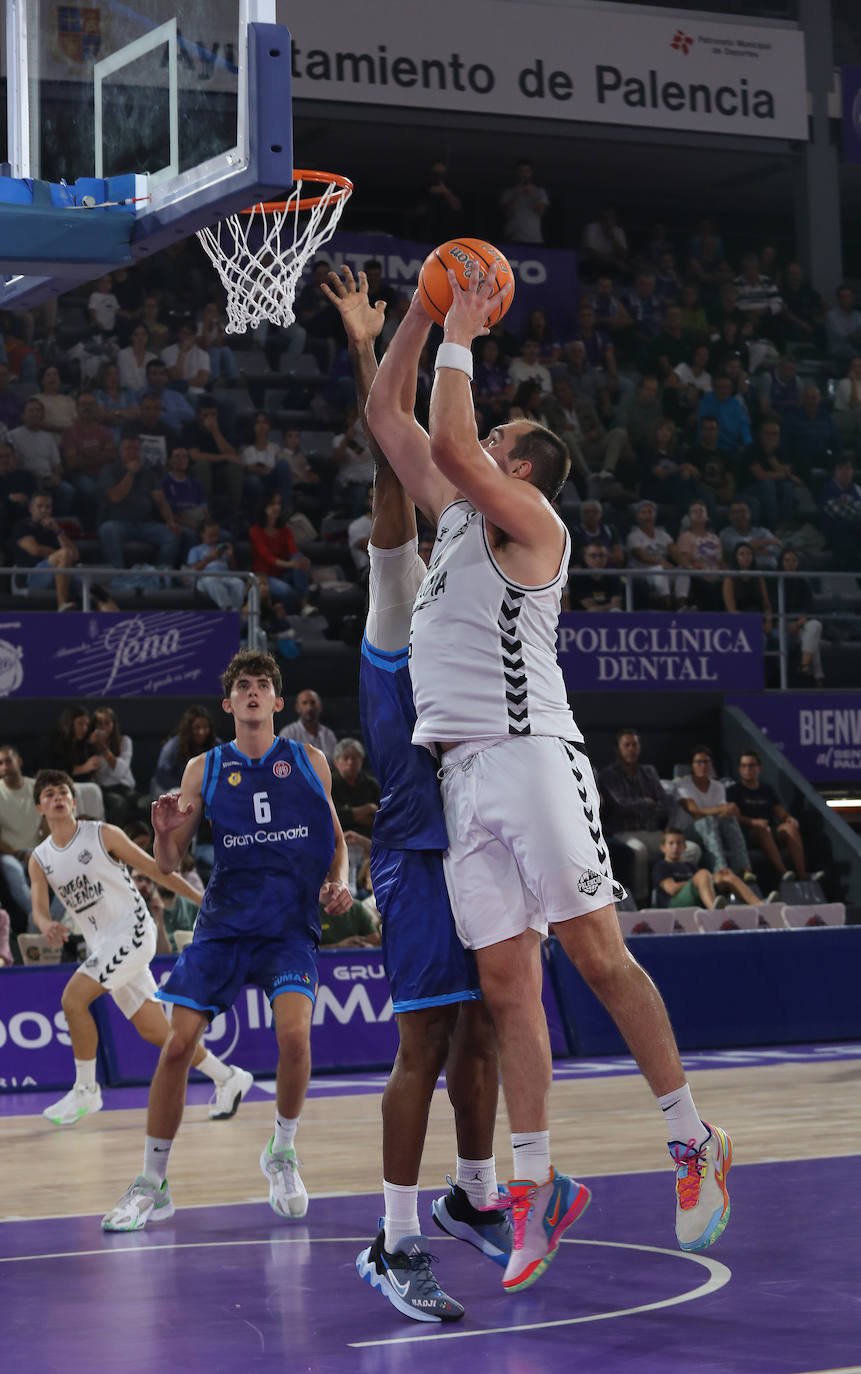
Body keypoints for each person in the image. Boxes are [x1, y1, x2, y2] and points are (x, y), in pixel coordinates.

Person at [365, 267, 731, 1295]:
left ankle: (691, 1139)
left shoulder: (533, 523)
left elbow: (445, 442)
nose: (479, 445)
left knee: (601, 959)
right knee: (507, 986)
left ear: (519, 462)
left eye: (496, 438)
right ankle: (531, 1191)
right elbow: (387, 417)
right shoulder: (452, 524)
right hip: (460, 779)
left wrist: (465, 333)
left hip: (533, 763)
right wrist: (420, 315)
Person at [323, 263, 506, 1322]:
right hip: (414, 850)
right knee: (426, 1044)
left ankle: (473, 1197)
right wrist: (370, 342)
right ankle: (392, 1244)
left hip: (475, 842)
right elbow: (391, 464)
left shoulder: (478, 615)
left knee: (485, 1031)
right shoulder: (400, 608)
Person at [101, 650, 352, 1231]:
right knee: (177, 1047)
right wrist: (164, 835)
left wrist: (339, 882)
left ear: (278, 702)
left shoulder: (310, 760)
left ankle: (282, 1151)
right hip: (223, 928)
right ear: (230, 703)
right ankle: (151, 1183)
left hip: (288, 927)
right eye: (244, 686)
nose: (255, 693)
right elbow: (169, 861)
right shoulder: (204, 768)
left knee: (294, 1037)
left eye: (264, 685)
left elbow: (336, 840)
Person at [29, 771, 250, 1126]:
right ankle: (227, 1077)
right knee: (155, 1031)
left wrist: (202, 897)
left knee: (73, 999)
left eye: (63, 792)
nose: (57, 797)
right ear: (40, 806)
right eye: (49, 793)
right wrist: (45, 924)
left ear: (73, 801)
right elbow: (38, 908)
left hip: (132, 931)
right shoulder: (40, 859)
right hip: (102, 944)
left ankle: (86, 1090)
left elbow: (157, 870)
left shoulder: (101, 834)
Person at [598, 729, 699, 905]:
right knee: (639, 852)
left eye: (635, 744)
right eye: (627, 745)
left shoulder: (649, 771)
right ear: (618, 749)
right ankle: (642, 901)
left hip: (653, 832)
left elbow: (663, 804)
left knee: (692, 849)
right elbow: (619, 806)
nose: (631, 749)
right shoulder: (608, 774)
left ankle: (681, 895)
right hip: (624, 833)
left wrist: (640, 805)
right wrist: (646, 802)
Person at [727, 750, 816, 887]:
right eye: (744, 766)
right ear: (739, 770)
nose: (748, 769)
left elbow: (779, 810)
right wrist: (753, 822)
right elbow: (733, 818)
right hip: (749, 833)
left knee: (789, 828)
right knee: (762, 830)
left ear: (759, 768)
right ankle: (784, 872)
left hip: (770, 829)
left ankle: (803, 875)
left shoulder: (767, 789)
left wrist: (788, 818)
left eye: (751, 765)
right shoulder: (733, 791)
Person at [97, 436, 182, 570]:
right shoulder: (109, 470)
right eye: (127, 448)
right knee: (107, 529)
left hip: (146, 524)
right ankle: (119, 574)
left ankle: (160, 575)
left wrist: (170, 521)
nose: (132, 452)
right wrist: (130, 473)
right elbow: (115, 497)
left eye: (136, 448)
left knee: (171, 534)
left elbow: (161, 500)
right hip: (119, 523)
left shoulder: (148, 473)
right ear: (120, 451)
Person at [675, 748, 756, 883]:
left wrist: (729, 810)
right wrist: (720, 809)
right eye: (699, 762)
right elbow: (694, 812)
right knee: (707, 821)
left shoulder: (718, 786)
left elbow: (723, 813)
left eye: (706, 762)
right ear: (692, 765)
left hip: (712, 830)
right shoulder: (683, 784)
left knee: (729, 820)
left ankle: (745, 870)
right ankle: (721, 871)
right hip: (686, 832)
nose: (703, 766)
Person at [0, 743, 45, 941]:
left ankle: (38, 919)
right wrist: (19, 854)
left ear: (19, 762)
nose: (4, 767)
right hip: (11, 854)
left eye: (8, 761)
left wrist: (44, 848)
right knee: (13, 870)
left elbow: (48, 821)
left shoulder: (36, 788)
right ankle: (38, 917)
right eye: (0, 764)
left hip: (40, 851)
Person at [652, 829, 756, 911]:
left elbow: (704, 882)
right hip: (673, 903)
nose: (675, 847)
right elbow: (672, 889)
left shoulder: (690, 866)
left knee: (726, 876)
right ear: (663, 847)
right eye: (671, 843)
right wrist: (698, 881)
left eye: (679, 843)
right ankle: (714, 911)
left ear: (684, 847)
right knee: (703, 874)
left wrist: (717, 877)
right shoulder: (661, 866)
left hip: (696, 897)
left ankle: (760, 905)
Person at [12, 490, 80, 610]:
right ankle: (62, 604)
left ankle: (113, 618)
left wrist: (57, 530)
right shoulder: (21, 526)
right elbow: (35, 550)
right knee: (64, 553)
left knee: (96, 590)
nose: (44, 510)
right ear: (31, 508)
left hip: (61, 575)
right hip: (32, 576)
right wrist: (62, 556)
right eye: (40, 506)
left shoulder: (54, 529)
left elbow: (74, 555)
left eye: (48, 507)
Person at [778, 548, 824, 685]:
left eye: (794, 561)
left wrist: (799, 623)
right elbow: (773, 609)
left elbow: (811, 609)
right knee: (812, 639)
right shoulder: (775, 581)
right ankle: (818, 677)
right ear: (781, 563)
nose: (791, 564)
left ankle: (804, 665)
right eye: (787, 561)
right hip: (781, 622)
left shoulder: (803, 582)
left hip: (800, 623)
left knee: (815, 626)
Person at [151, 706, 219, 797]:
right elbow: (163, 778)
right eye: (197, 728)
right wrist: (190, 787)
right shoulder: (172, 746)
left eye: (205, 727)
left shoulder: (217, 745)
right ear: (188, 728)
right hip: (170, 788)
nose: (201, 732)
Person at [187, 518, 246, 612]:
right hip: (205, 578)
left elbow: (234, 570)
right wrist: (208, 559)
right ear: (202, 534)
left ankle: (236, 611)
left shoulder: (222, 548)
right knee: (211, 581)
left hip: (225, 576)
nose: (215, 537)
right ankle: (228, 609)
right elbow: (193, 570)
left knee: (239, 583)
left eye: (216, 534)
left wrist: (231, 557)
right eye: (211, 535)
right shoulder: (195, 550)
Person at [330, 738, 380, 840]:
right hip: (339, 840)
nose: (351, 762)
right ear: (336, 762)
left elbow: (381, 818)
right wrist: (368, 808)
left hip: (370, 840)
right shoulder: (329, 784)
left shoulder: (372, 784)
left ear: (361, 761)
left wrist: (349, 812)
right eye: (346, 758)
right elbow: (334, 817)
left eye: (355, 757)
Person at [722, 543, 773, 635]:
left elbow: (767, 606)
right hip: (739, 622)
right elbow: (731, 610)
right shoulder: (730, 579)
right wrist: (753, 624)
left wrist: (768, 622)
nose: (746, 557)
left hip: (760, 619)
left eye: (749, 554)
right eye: (742, 554)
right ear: (736, 557)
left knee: (777, 638)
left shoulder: (758, 577)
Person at [278, 689, 338, 764]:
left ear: (320, 706)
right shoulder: (288, 733)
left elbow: (335, 761)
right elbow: (284, 761)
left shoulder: (328, 734)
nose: (309, 708)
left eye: (313, 703)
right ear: (297, 707)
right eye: (304, 703)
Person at [499, 159, 549, 244]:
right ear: (517, 173)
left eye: (527, 171)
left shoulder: (540, 192)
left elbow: (541, 213)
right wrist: (516, 195)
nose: (524, 174)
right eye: (521, 171)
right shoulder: (509, 192)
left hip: (534, 238)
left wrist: (532, 195)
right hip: (513, 237)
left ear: (531, 173)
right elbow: (507, 214)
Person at [568, 542, 624, 611]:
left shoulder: (613, 576)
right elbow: (592, 609)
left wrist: (609, 607)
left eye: (601, 555)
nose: (598, 559)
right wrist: (610, 606)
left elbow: (617, 605)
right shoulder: (578, 578)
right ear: (585, 558)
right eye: (593, 556)